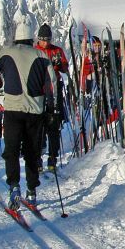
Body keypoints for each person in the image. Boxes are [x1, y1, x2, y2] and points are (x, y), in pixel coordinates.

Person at [0, 21, 56, 208]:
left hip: (13, 109)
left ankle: (14, 186)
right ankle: (32, 190)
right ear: (31, 38)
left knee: (11, 150)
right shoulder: (41, 54)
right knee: (31, 151)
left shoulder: (7, 52)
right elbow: (53, 81)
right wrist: (52, 106)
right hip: (35, 111)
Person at [35, 23, 69, 172]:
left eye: (48, 39)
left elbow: (65, 68)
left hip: (54, 93)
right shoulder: (34, 51)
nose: (46, 43)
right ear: (39, 39)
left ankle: (52, 158)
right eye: (43, 40)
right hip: (38, 93)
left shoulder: (57, 51)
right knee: (38, 127)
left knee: (53, 126)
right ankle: (37, 159)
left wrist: (60, 64)